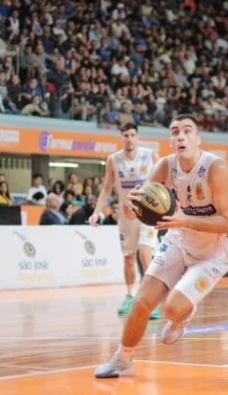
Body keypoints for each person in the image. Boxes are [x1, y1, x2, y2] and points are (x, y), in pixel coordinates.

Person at [94, 114, 228, 379]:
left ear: (197, 138)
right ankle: (122, 359)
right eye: (174, 132)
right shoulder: (164, 166)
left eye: (186, 131)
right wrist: (130, 207)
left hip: (214, 254)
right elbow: (138, 209)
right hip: (178, 241)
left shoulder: (216, 168)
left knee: (171, 308)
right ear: (170, 140)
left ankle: (182, 315)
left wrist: (186, 220)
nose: (180, 136)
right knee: (142, 302)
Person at [89, 123, 161, 319]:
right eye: (125, 135)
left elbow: (165, 182)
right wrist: (97, 212)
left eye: (132, 135)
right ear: (121, 138)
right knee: (129, 258)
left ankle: (150, 299)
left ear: (137, 137)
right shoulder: (113, 159)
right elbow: (106, 188)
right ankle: (130, 296)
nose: (129, 139)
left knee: (145, 253)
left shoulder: (150, 156)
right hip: (125, 214)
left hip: (148, 213)